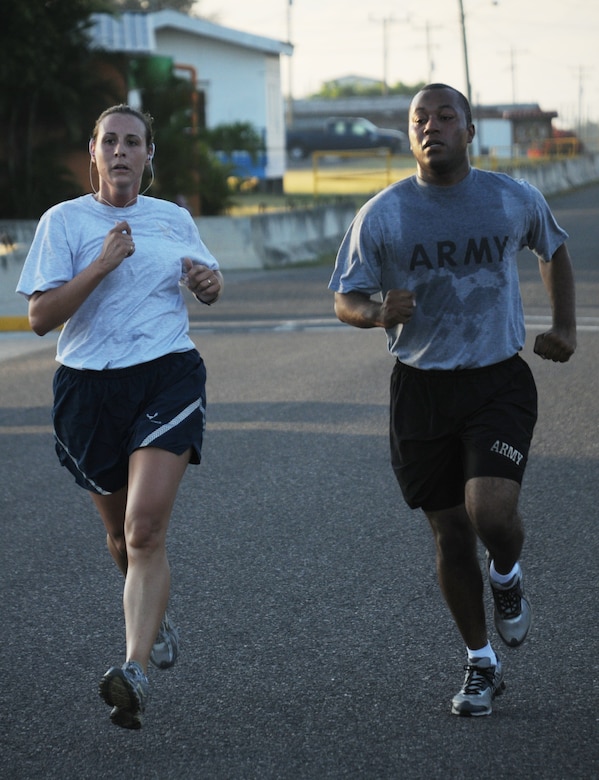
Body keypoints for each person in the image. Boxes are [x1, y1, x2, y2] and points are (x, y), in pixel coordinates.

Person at [329, 83, 576, 717]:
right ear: (409, 135)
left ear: (468, 130)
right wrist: (377, 311)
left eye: (445, 116)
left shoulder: (507, 197)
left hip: (496, 377)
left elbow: (553, 246)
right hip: (421, 388)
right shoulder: (382, 214)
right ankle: (480, 662)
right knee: (448, 533)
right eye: (419, 119)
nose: (431, 125)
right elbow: (345, 298)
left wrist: (566, 326)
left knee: (489, 512)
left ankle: (507, 576)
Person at [17, 104, 224, 729]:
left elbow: (208, 280)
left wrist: (208, 285)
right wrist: (102, 264)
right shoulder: (65, 222)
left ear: (148, 157)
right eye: (111, 141)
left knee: (143, 530)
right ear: (94, 153)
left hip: (167, 373)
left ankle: (131, 669)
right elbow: (40, 317)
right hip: (87, 390)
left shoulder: (172, 218)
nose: (122, 151)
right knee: (120, 538)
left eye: (134, 142)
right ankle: (151, 614)